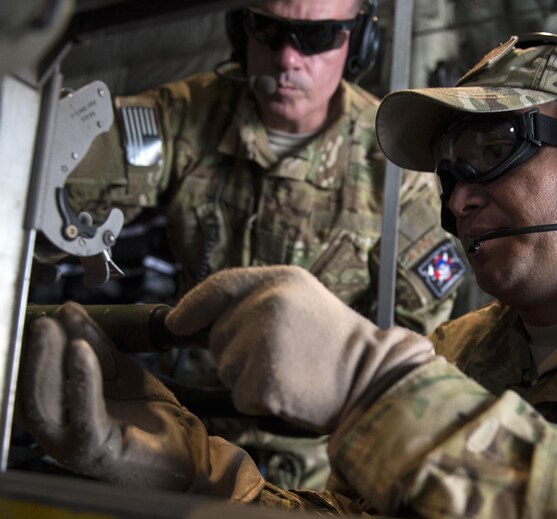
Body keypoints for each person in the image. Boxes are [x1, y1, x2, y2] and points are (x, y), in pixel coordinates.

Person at [19, 33, 557, 517]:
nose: (457, 194)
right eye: (449, 170)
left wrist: (379, 388)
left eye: (489, 150)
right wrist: (189, 472)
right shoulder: (463, 351)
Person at [43, 0, 464, 490]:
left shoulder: (395, 172)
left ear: (359, 44)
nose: (287, 58)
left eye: (317, 38)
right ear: (239, 31)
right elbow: (62, 175)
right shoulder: (190, 114)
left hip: (324, 458)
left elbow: (419, 353)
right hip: (180, 425)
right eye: (267, 30)